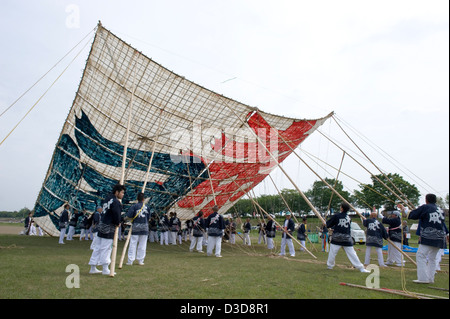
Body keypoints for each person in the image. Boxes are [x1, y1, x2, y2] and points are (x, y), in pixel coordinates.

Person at [402, 194, 449, 284]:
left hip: (429, 236)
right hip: (439, 237)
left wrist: (405, 209)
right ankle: (431, 278)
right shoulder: (440, 210)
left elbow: (413, 215)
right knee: (432, 258)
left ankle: (423, 278)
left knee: (420, 255)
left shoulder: (425, 207)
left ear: (426, 200)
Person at [88, 184, 125, 275]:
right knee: (106, 247)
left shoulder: (107, 198)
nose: (123, 194)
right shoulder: (116, 202)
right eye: (122, 192)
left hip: (102, 225)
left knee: (98, 247)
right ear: (117, 192)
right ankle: (105, 268)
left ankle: (93, 266)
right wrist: (118, 222)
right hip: (108, 227)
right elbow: (116, 214)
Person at [326, 202, 369, 273]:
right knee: (352, 253)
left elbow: (328, 224)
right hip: (347, 238)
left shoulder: (337, 216)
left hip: (337, 238)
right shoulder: (349, 217)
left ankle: (330, 266)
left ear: (342, 208)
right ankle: (361, 268)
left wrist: (326, 223)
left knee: (332, 252)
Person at [126, 192, 150, 266]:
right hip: (144, 227)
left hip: (136, 227)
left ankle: (130, 260)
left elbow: (129, 215)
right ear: (143, 199)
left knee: (133, 244)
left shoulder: (134, 206)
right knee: (142, 245)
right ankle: (140, 260)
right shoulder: (147, 207)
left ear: (137, 199)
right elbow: (148, 217)